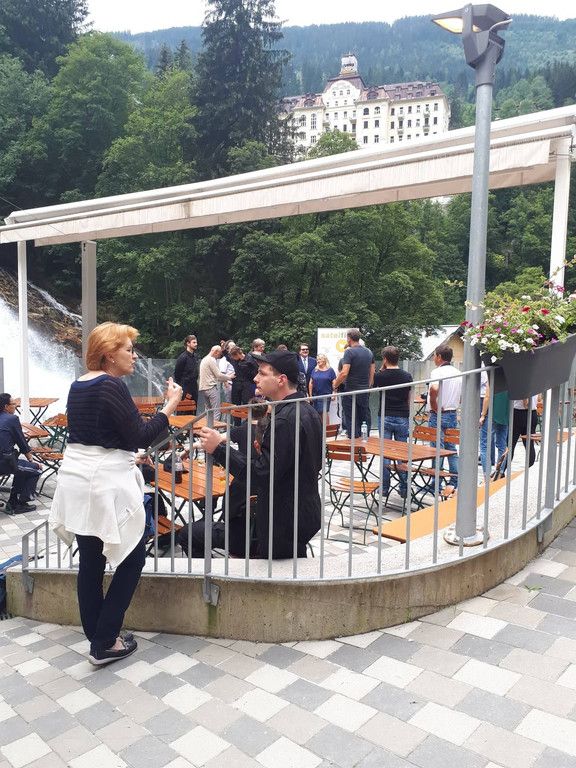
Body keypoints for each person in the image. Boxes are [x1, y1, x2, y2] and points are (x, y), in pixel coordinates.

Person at [49, 322, 183, 666]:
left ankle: (98, 638)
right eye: (128, 350)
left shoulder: (79, 384)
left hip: (78, 481)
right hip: (103, 486)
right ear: (109, 354)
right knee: (133, 558)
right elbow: (141, 436)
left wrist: (127, 454)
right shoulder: (111, 385)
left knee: (91, 561)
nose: (134, 356)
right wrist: (170, 406)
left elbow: (97, 437)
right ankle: (105, 641)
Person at [200, 350, 322, 559]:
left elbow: (261, 473)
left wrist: (218, 449)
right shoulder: (307, 410)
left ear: (281, 380)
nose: (256, 378)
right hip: (301, 512)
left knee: (282, 573)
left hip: (284, 520)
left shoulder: (285, 420)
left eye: (263, 373)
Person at [176, 398, 269, 557]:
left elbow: (228, 513)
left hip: (242, 540)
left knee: (188, 533)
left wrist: (190, 447)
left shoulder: (242, 430)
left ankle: (211, 568)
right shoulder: (284, 472)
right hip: (271, 537)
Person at [373, 346, 413, 499]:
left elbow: (373, 384)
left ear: (384, 359)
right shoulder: (407, 376)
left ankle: (384, 488)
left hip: (385, 414)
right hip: (402, 415)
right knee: (402, 453)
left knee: (385, 452)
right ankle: (404, 487)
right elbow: (409, 397)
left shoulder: (380, 376)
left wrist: (382, 369)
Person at [0, 393, 42, 514]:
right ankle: (17, 504)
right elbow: (22, 443)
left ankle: (14, 501)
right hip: (4, 463)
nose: (16, 406)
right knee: (35, 469)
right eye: (13, 404)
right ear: (6, 406)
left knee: (21, 468)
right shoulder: (12, 419)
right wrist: (32, 461)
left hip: (5, 460)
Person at [427, 344, 461, 489]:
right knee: (451, 448)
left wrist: (434, 405)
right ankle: (454, 481)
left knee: (437, 448)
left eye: (435, 356)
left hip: (438, 414)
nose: (434, 358)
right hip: (452, 413)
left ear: (439, 357)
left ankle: (436, 483)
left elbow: (434, 388)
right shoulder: (458, 373)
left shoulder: (437, 372)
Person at [332, 329, 375, 438]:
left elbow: (344, 373)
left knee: (351, 418)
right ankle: (365, 440)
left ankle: (354, 442)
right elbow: (372, 371)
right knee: (364, 417)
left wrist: (335, 385)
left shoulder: (349, 352)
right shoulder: (369, 352)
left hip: (351, 391)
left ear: (349, 338)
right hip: (364, 390)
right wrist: (369, 385)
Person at [198, 345, 235, 419]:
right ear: (216, 352)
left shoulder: (204, 359)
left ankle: (206, 425)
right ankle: (214, 426)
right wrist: (229, 377)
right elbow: (218, 375)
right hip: (211, 387)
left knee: (208, 410)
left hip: (203, 388)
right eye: (219, 354)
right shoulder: (211, 360)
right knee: (216, 411)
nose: (219, 356)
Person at [308, 354, 336, 422]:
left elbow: (334, 383)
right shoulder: (315, 370)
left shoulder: (330, 370)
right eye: (317, 359)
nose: (318, 361)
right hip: (315, 396)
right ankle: (320, 428)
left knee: (324, 413)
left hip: (326, 395)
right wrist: (310, 395)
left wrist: (334, 393)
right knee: (317, 414)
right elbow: (311, 383)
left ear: (324, 360)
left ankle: (326, 428)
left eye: (320, 359)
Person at [173, 335, 199, 405]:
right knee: (184, 408)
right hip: (185, 388)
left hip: (194, 387)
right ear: (188, 343)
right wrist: (181, 388)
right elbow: (177, 374)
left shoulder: (196, 356)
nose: (196, 344)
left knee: (194, 408)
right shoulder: (182, 357)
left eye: (196, 342)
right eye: (194, 342)